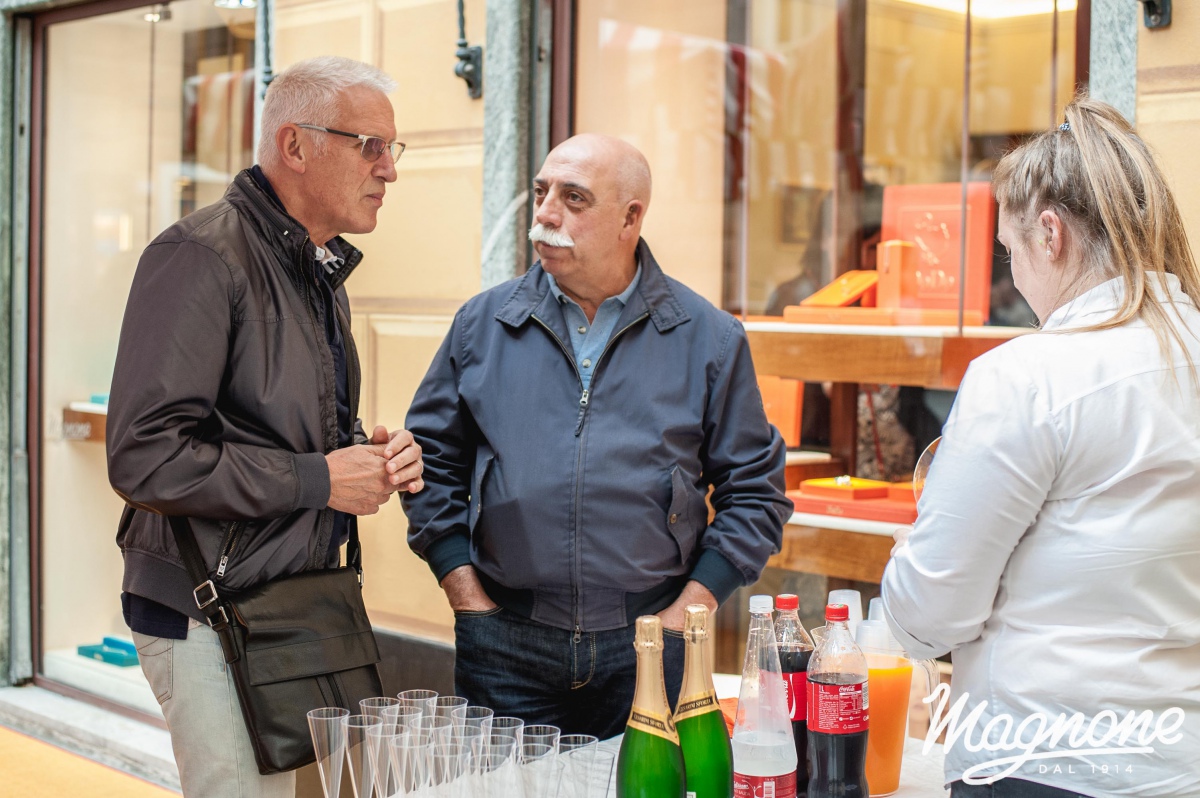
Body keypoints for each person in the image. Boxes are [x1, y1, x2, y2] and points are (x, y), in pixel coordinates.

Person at [106, 56, 424, 797]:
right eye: (370, 146)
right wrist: (319, 479)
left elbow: (282, 434)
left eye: (392, 149)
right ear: (295, 146)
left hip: (282, 605)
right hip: (206, 609)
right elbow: (145, 455)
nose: (389, 169)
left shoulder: (316, 271)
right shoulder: (199, 256)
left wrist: (372, 458)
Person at [403, 133, 791, 739]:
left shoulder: (709, 338)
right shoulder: (482, 324)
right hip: (504, 643)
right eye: (541, 192)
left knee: (643, 785)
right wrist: (464, 592)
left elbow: (756, 493)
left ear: (630, 219)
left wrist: (688, 611)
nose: (546, 213)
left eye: (574, 198)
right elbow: (429, 465)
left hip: (651, 645)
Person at [882, 97, 1200, 797]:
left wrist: (912, 552)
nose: (1017, 277)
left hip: (1042, 764)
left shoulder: (1026, 377)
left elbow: (930, 617)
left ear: (1050, 234)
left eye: (1010, 251)